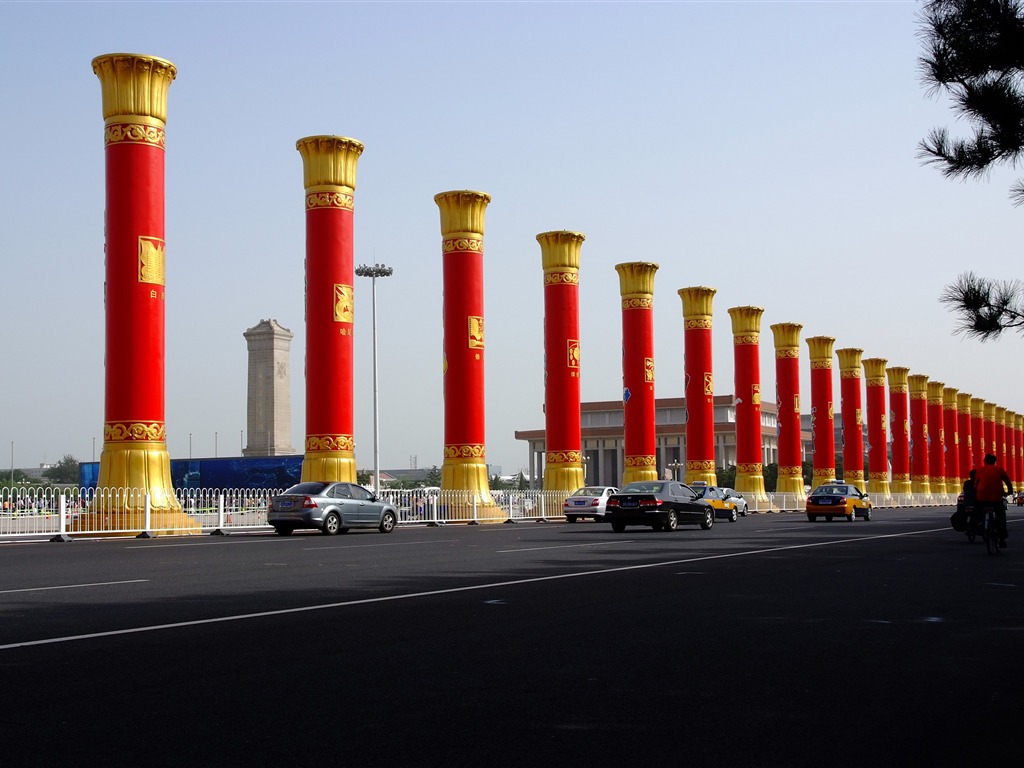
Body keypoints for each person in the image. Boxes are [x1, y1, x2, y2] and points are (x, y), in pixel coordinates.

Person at [973, 454, 1013, 546]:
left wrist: (976, 492)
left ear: (985, 461)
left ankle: (978, 524)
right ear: (995, 462)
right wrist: (1010, 491)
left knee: (977, 510)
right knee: (1001, 516)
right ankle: (1002, 538)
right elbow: (1007, 482)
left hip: (982, 498)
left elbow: (976, 484)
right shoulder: (999, 470)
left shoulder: (979, 470)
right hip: (996, 498)